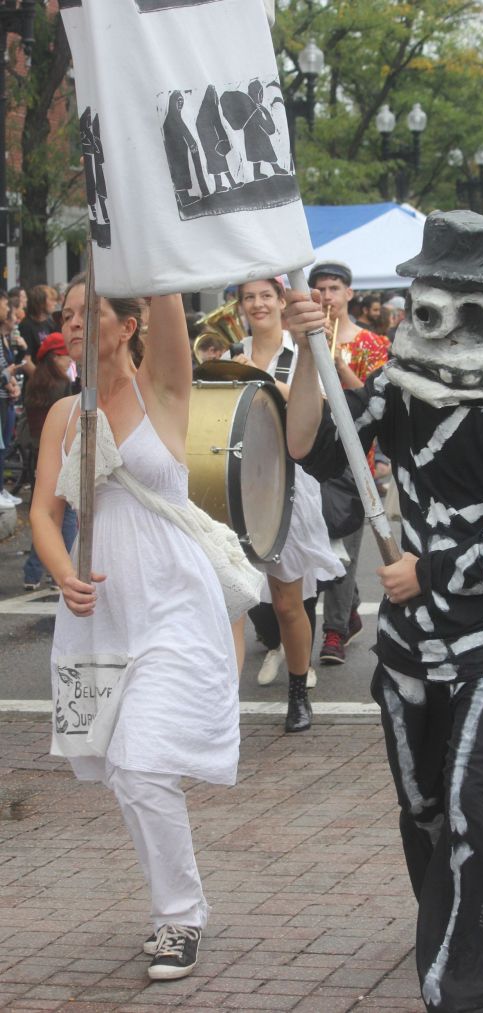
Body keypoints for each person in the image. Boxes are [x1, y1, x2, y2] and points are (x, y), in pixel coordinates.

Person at [285, 211, 483, 1013]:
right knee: (423, 803)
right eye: (438, 299)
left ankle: (463, 976)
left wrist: (431, 570)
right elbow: (317, 449)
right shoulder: (395, 390)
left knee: (473, 794)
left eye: (474, 303)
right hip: (409, 643)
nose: (452, 321)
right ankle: (446, 914)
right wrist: (309, 352)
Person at [30, 275, 260, 982]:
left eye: (87, 310)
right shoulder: (64, 413)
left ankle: (178, 918)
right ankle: (178, 905)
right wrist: (63, 572)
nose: (71, 322)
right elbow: (43, 511)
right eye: (65, 313)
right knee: (123, 772)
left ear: (128, 325)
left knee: (140, 763)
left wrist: (143, 240)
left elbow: (166, 291)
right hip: (97, 616)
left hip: (174, 606)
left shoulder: (163, 387)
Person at [223, 277, 343, 731]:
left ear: (280, 301)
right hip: (238, 486)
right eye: (249, 297)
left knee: (289, 601)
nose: (257, 304)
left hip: (288, 487)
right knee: (233, 599)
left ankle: (298, 693)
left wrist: (259, 379)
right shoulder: (231, 352)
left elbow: (322, 409)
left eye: (265, 296)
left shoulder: (301, 353)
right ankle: (223, 701)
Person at [308, 260, 390, 665]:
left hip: (357, 457)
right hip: (311, 452)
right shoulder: (303, 338)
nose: (327, 297)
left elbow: (378, 400)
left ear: (349, 293)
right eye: (321, 290)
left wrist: (338, 365)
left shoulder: (372, 343)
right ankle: (349, 608)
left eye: (334, 289)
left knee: (345, 543)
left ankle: (334, 630)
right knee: (319, 544)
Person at [22, 333, 78, 589]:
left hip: (37, 455)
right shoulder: (63, 386)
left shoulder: (34, 382)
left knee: (43, 515)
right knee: (65, 515)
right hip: (60, 454)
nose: (69, 361)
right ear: (54, 357)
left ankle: (33, 573)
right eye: (64, 356)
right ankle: (64, 571)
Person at [0, 291, 22, 509]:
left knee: (4, 446)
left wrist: (11, 382)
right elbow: (3, 371)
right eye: (5, 305)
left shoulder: (5, 338)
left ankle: (1, 489)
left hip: (6, 398)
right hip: (2, 397)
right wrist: (7, 378)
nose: (8, 310)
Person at [19, 284, 58, 367]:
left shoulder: (50, 323)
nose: (55, 303)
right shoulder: (26, 326)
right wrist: (40, 376)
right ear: (41, 303)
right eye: (51, 300)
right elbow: (26, 361)